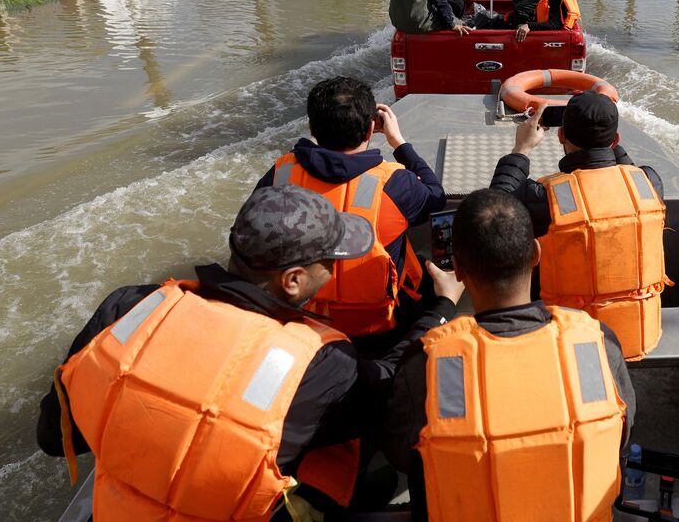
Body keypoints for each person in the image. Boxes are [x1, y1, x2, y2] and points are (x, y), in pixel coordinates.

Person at [37, 185, 464, 520]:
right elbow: (394, 387)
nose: (334, 270)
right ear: (293, 280)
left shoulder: (128, 306)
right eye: (330, 262)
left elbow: (53, 439)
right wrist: (442, 309)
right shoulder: (319, 365)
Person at [384, 189, 636, 522]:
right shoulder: (598, 343)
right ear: (535, 254)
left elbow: (400, 454)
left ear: (457, 269)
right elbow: (622, 430)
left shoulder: (427, 363)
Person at [255, 76, 446, 348]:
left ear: (311, 127)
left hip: (301, 325)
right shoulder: (395, 183)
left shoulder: (281, 172)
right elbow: (436, 197)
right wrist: (399, 143)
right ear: (370, 130)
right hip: (379, 328)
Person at [489, 90, 668, 360]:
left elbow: (494, 209)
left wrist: (522, 149)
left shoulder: (545, 199)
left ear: (561, 136)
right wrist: (606, 138)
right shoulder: (649, 183)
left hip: (569, 344)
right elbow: (626, 169)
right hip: (636, 337)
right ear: (616, 139)